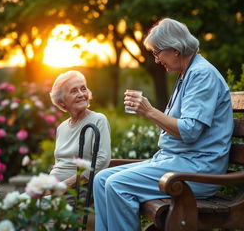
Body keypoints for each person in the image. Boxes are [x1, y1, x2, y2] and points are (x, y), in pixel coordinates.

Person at [93, 18, 233, 231]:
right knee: (102, 178)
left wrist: (149, 111)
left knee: (117, 184)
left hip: (198, 170)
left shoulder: (201, 74)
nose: (156, 60)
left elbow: (189, 130)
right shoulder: (186, 74)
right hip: (178, 161)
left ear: (175, 49)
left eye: (157, 53)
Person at [49, 70, 111, 205]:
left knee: (30, 210)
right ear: (62, 101)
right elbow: (60, 163)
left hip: (77, 191)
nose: (81, 94)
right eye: (74, 91)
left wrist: (65, 184)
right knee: (18, 204)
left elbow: (102, 160)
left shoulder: (98, 120)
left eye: (83, 89)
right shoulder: (62, 127)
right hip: (53, 189)